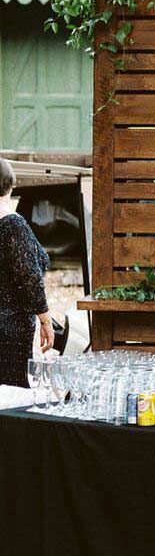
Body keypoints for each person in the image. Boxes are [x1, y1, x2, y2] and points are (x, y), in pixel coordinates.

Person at [0, 159, 54, 387]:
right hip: (8, 328)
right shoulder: (12, 225)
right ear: (11, 184)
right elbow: (29, 277)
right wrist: (46, 320)